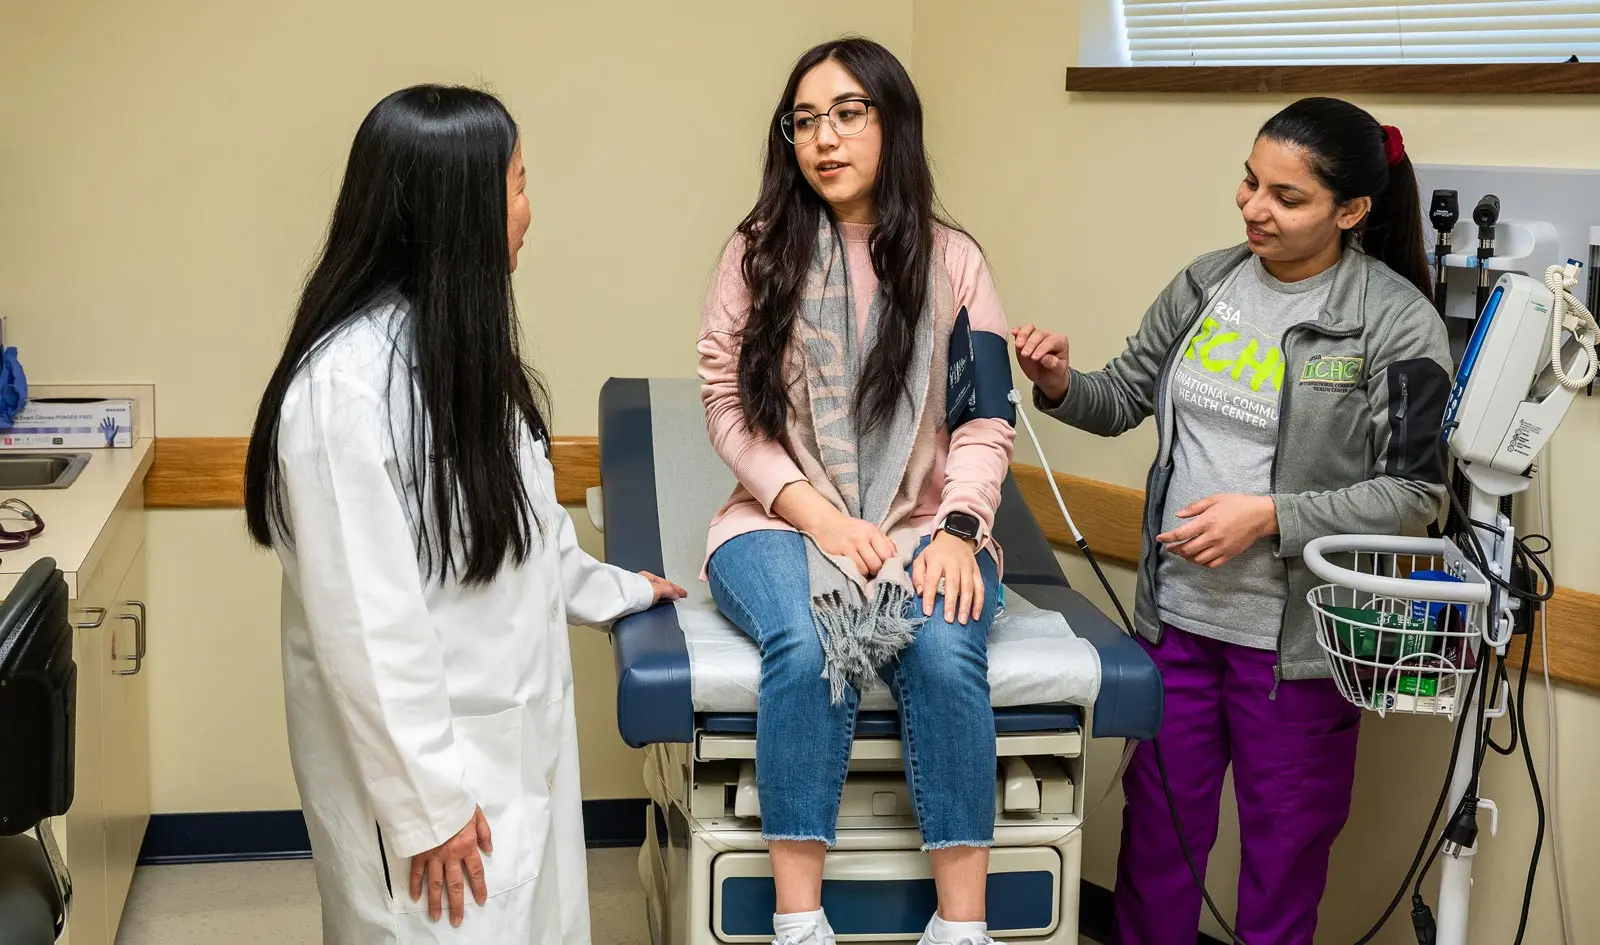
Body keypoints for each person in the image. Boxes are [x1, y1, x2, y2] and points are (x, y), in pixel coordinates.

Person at [242, 85, 685, 945]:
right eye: (518, 185)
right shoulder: (345, 389)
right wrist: (428, 807)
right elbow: (366, 628)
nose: (530, 210)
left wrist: (618, 591)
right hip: (432, 787)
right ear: (458, 211)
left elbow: (520, 539)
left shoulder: (462, 357)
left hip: (505, 745)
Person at [1013, 97, 1453, 944]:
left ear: (1351, 211)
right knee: (1156, 853)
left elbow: (1415, 495)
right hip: (1176, 624)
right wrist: (1062, 382)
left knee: (1282, 866)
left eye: (1287, 197)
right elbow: (1122, 397)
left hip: (1296, 653)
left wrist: (1268, 517)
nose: (1255, 207)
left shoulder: (1395, 323)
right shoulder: (1207, 282)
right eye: (1250, 182)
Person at [697, 37, 1017, 945]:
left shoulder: (956, 263)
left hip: (927, 525)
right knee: (803, 646)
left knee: (947, 654)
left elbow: (985, 419)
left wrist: (958, 527)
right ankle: (800, 922)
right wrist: (821, 518)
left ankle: (964, 928)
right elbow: (727, 405)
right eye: (804, 120)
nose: (822, 139)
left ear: (893, 123)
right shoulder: (757, 253)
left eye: (847, 114)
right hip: (776, 519)